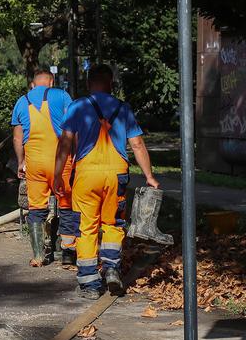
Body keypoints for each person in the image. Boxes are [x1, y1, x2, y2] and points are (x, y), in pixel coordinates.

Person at [54, 64, 159, 299]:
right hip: (117, 174)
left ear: (89, 82)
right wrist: (150, 177)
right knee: (113, 223)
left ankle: (90, 284)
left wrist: (57, 174)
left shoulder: (78, 106)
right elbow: (138, 144)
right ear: (111, 83)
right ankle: (111, 268)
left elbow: (65, 143)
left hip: (86, 175)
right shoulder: (123, 108)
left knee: (87, 227)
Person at [11, 68, 78, 267]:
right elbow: (74, 128)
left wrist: (21, 162)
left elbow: (17, 137)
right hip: (61, 162)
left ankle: (39, 255)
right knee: (66, 205)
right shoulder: (62, 95)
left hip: (35, 163)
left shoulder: (22, 101)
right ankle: (68, 252)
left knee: (36, 209)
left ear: (33, 84)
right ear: (51, 82)